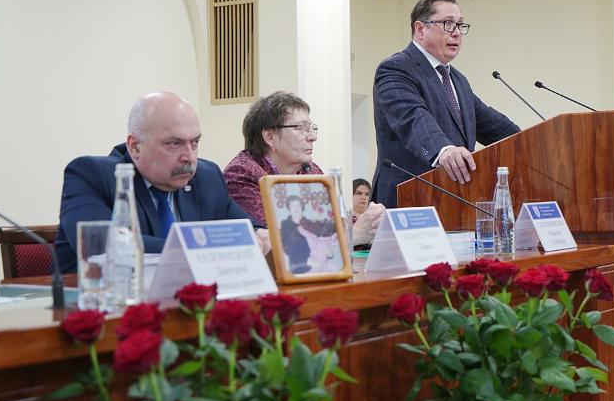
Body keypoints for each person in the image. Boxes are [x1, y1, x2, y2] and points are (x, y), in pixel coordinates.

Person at [54, 92, 267, 273]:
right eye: (174, 143)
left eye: (195, 142)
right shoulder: (93, 175)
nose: (189, 157)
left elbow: (248, 229)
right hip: (95, 301)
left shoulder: (207, 177)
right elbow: (103, 244)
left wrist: (260, 236)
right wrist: (205, 246)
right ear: (135, 146)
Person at [371, 0, 521, 208]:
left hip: (452, 202)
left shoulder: (457, 80)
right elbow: (413, 118)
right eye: (448, 24)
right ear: (420, 29)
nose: (457, 33)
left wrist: (532, 142)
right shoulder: (396, 69)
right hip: (408, 200)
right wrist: (443, 150)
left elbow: (492, 125)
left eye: (460, 25)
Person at [224, 91, 385, 246]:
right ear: (269, 136)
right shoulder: (242, 174)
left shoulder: (310, 170)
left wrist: (371, 222)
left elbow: (334, 221)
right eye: (301, 128)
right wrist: (354, 234)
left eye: (311, 128)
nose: (312, 137)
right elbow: (276, 240)